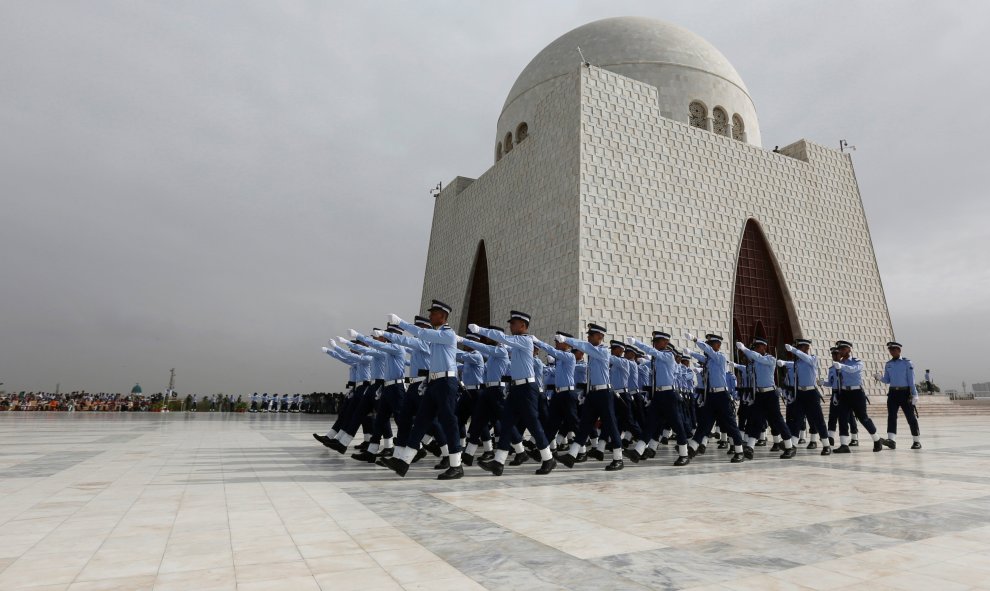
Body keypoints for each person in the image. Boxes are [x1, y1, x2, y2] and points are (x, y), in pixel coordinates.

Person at [386, 301, 465, 480]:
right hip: (433, 382)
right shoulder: (435, 337)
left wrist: (401, 323)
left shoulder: (448, 334)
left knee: (448, 422)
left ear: (443, 316)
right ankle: (404, 461)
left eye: (433, 313)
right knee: (421, 421)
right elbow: (413, 340)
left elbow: (420, 332)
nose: (430, 316)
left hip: (446, 382)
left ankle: (456, 465)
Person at [471, 312, 556, 476]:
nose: (510, 326)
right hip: (515, 389)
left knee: (533, 423)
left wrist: (480, 330)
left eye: (514, 323)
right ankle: (498, 462)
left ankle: (548, 458)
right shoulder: (517, 344)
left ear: (523, 326)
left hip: (526, 388)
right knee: (507, 424)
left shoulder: (524, 340)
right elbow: (500, 345)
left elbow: (502, 338)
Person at [556, 323, 625, 471]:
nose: (588, 337)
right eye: (588, 335)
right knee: (584, 424)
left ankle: (618, 458)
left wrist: (568, 340)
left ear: (600, 337)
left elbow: (584, 347)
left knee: (611, 424)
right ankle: (572, 455)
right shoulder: (592, 354)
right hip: (593, 394)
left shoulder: (603, 351)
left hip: (604, 393)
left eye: (591, 335)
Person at [626, 331, 691, 465]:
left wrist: (636, 342)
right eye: (654, 342)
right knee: (650, 424)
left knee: (677, 425)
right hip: (658, 395)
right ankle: (637, 452)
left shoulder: (668, 355)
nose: (655, 344)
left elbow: (653, 352)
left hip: (669, 395)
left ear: (666, 342)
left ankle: (684, 455)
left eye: (657, 341)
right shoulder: (657, 359)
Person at [686, 333, 746, 463]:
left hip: (721, 396)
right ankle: (692, 447)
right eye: (709, 345)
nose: (709, 347)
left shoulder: (720, 357)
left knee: (730, 424)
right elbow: (701, 356)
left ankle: (740, 451)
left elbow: (706, 352)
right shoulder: (709, 361)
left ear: (718, 345)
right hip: (711, 395)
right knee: (704, 423)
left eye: (711, 344)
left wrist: (695, 340)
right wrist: (690, 352)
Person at [736, 339, 796, 459]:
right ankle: (750, 447)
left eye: (757, 347)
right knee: (756, 420)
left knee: (777, 420)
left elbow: (758, 357)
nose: (755, 350)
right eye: (754, 348)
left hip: (770, 394)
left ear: (763, 347)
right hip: (759, 394)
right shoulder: (755, 362)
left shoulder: (770, 359)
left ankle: (789, 446)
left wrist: (744, 349)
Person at [458, 326, 510, 466]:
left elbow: (480, 349)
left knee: (503, 421)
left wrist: (454, 345)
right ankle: (468, 454)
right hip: (488, 390)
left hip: (496, 390)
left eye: (490, 335)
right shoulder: (492, 355)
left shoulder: (499, 351)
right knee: (479, 420)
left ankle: (519, 451)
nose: (487, 338)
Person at [780, 339, 832, 455]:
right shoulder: (797, 363)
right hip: (799, 393)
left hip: (811, 393)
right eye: (797, 348)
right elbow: (790, 364)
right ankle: (792, 446)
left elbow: (806, 358)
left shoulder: (812, 359)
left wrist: (793, 350)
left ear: (806, 348)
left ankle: (826, 445)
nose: (798, 350)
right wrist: (783, 362)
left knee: (818, 420)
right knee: (796, 420)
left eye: (800, 347)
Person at [833, 340, 883, 452]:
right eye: (840, 349)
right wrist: (836, 393)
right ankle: (844, 445)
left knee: (863, 418)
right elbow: (838, 380)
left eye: (843, 348)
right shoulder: (839, 363)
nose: (841, 351)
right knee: (842, 418)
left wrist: (841, 365)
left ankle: (877, 439)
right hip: (845, 393)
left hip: (857, 393)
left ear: (849, 349)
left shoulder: (857, 362)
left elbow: (853, 370)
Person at [874, 341, 922, 450]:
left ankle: (916, 441)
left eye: (894, 349)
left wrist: (915, 394)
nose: (891, 351)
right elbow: (887, 380)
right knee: (891, 416)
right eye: (890, 350)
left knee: (911, 417)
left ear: (899, 350)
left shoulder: (907, 363)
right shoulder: (889, 364)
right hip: (893, 393)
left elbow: (911, 380)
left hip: (905, 393)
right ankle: (891, 440)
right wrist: (880, 377)